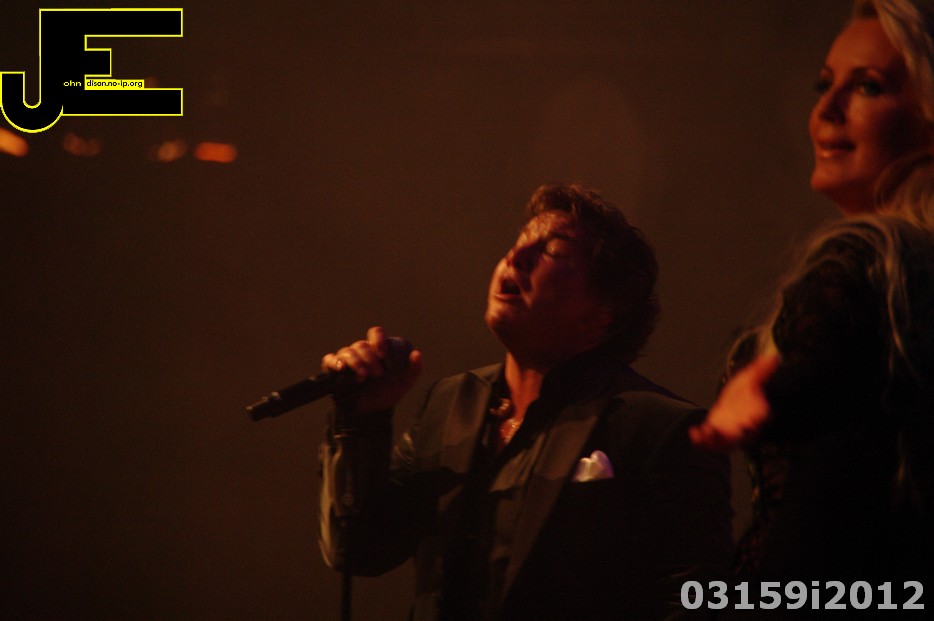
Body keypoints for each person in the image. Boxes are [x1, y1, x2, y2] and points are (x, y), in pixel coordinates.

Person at [318, 184, 733, 620]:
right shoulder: (449, 404)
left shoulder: (657, 428)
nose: (516, 257)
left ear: (600, 314)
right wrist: (362, 418)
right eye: (517, 243)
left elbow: (700, 597)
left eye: (552, 251)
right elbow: (360, 549)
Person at [691, 0, 934, 610]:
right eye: (824, 85)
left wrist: (768, 394)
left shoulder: (867, 254)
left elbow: (821, 367)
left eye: (868, 86)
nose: (827, 109)